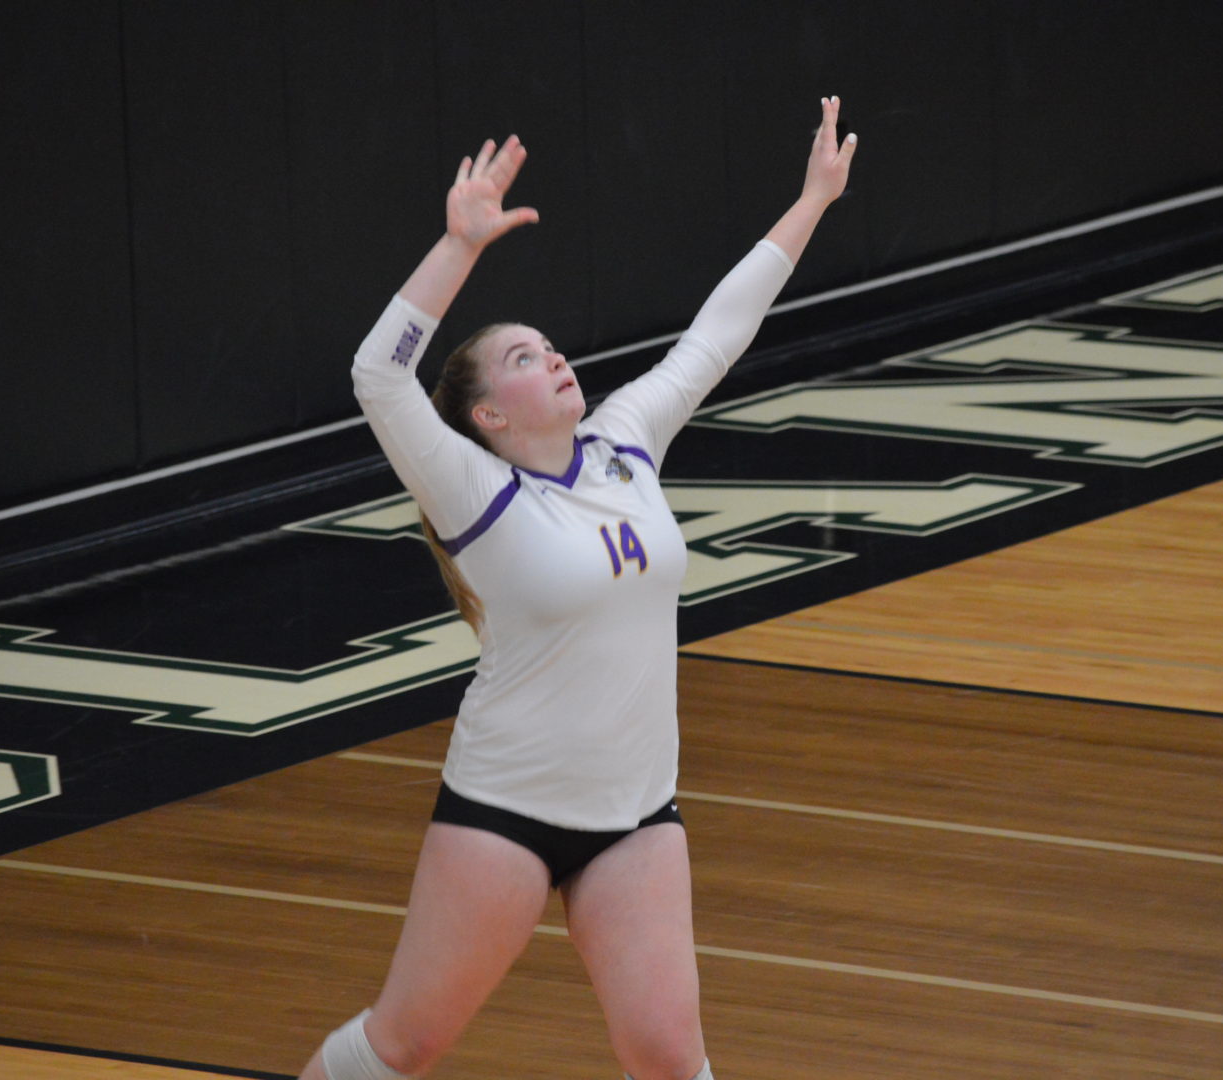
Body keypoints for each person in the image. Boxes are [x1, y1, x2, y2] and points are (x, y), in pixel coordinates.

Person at [302, 97, 858, 1080]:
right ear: (488, 416)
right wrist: (458, 246)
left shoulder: (623, 440)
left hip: (636, 812)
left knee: (669, 1058)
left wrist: (811, 201)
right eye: (524, 358)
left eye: (549, 344)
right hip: (504, 810)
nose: (554, 356)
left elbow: (718, 333)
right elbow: (377, 377)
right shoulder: (470, 488)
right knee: (408, 1042)